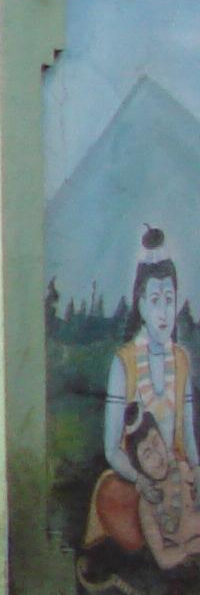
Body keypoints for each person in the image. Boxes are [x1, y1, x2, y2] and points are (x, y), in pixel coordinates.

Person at [87, 227, 200, 569]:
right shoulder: (123, 363)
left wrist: (195, 470)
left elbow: (188, 436)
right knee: (116, 500)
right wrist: (142, 481)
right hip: (138, 479)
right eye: (155, 300)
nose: (164, 312)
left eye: (169, 299)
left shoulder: (181, 359)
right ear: (140, 304)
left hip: (177, 475)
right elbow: (112, 450)